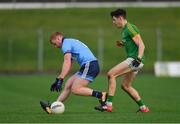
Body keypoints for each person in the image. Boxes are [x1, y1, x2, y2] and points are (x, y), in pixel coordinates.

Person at [95, 8, 149, 113]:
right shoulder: (125, 30)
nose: (113, 22)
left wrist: (138, 58)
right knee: (125, 86)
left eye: (114, 20)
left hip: (135, 59)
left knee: (111, 74)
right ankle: (143, 108)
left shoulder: (130, 28)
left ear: (120, 18)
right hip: (135, 60)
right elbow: (132, 42)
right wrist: (123, 43)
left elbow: (141, 44)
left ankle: (108, 105)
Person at [40, 32, 106, 114]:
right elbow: (69, 64)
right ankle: (53, 107)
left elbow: (67, 61)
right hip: (88, 65)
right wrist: (59, 78)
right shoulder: (68, 42)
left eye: (54, 43)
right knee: (69, 85)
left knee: (75, 89)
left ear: (58, 38)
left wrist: (60, 78)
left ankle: (101, 95)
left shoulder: (65, 44)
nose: (55, 46)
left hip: (90, 65)